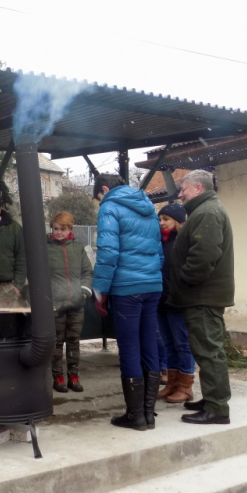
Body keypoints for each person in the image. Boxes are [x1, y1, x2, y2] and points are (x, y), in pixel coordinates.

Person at [92, 174, 163, 431]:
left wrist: (100, 290)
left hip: (126, 289)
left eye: (98, 197)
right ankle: (149, 414)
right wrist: (153, 276)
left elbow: (108, 253)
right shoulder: (148, 205)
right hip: (152, 285)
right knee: (149, 346)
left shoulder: (110, 206)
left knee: (130, 348)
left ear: (104, 189)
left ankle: (136, 416)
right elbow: (158, 249)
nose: (100, 201)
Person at [168, 170, 235, 425]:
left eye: (183, 189)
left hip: (202, 296)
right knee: (206, 350)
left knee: (209, 352)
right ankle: (212, 400)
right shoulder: (204, 210)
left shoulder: (207, 212)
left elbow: (204, 256)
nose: (180, 193)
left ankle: (217, 409)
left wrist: (184, 279)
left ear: (198, 187)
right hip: (201, 296)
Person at [155, 203, 197, 404]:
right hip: (162, 301)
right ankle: (171, 384)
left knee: (183, 344)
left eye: (166, 219)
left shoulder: (184, 242)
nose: (162, 223)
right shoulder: (160, 243)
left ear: (178, 222)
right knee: (168, 344)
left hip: (178, 302)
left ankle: (185, 386)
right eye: (160, 219)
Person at [47, 211, 93, 393]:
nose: (59, 232)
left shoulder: (78, 248)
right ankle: (57, 377)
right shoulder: (46, 248)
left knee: (73, 340)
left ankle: (74, 376)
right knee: (57, 341)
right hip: (56, 303)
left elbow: (87, 272)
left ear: (70, 229)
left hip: (76, 302)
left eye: (63, 229)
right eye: (56, 229)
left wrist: (84, 291)